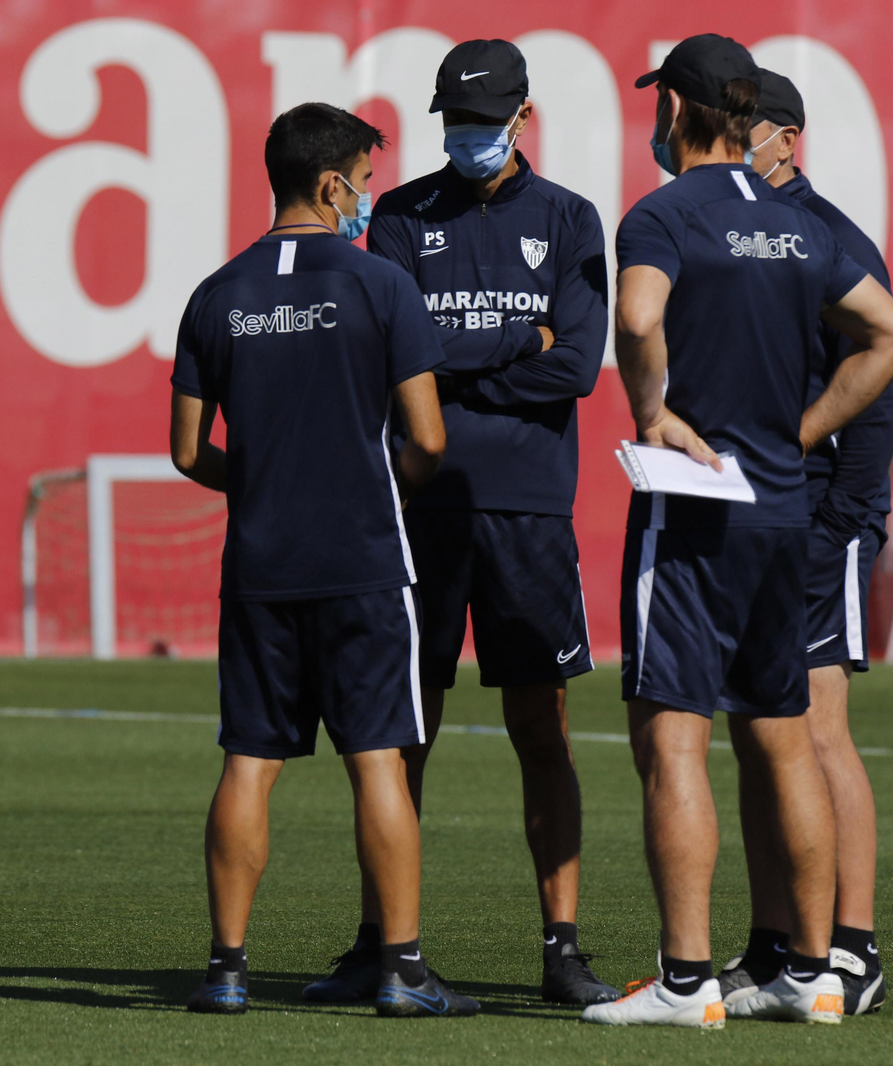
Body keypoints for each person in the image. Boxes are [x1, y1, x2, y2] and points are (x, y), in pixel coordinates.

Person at [580, 36, 893, 1028]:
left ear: (679, 111)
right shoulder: (798, 227)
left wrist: (649, 409)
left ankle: (686, 982)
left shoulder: (662, 215)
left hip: (691, 509)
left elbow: (638, 319)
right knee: (782, 741)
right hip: (780, 511)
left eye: (658, 105)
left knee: (671, 738)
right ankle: (810, 971)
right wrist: (795, 435)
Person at [301, 38, 617, 1007]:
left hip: (526, 508)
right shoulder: (399, 215)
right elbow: (395, 351)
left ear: (522, 117)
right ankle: (383, 940)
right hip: (417, 503)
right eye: (454, 122)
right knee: (403, 726)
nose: (468, 137)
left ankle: (560, 944)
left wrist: (456, 357)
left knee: (540, 725)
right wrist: (519, 337)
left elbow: (575, 366)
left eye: (484, 121)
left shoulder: (568, 218)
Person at [170, 101, 477, 1018]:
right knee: (380, 759)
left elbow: (188, 451)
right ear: (332, 182)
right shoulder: (381, 285)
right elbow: (427, 437)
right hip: (364, 562)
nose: (369, 198)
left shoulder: (216, 293)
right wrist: (377, 487)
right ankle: (403, 969)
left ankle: (227, 969)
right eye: (366, 181)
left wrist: (268, 483)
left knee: (247, 762)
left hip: (261, 562)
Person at [716, 68, 893, 1018]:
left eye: (742, 128)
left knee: (817, 728)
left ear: (785, 138)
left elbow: (883, 376)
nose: (726, 141)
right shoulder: (735, 231)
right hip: (755, 513)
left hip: (818, 513)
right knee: (758, 731)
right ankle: (775, 945)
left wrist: (843, 518)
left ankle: (854, 951)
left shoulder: (827, 235)